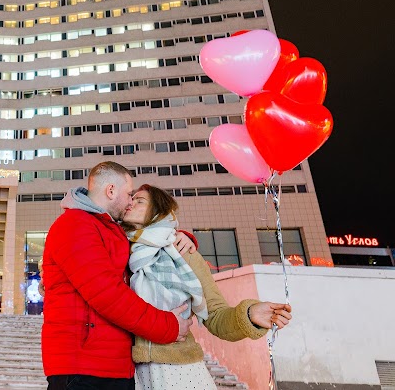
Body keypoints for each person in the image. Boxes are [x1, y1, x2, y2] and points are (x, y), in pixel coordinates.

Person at [42, 161, 198, 390]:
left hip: (114, 364)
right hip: (84, 368)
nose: (129, 202)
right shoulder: (75, 224)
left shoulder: (109, 230)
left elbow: (146, 242)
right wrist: (169, 327)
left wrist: (181, 239)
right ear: (111, 191)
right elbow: (108, 295)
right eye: (128, 194)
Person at [123, 184, 293, 390]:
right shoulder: (119, 250)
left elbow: (215, 315)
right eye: (131, 198)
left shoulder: (182, 252)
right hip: (128, 371)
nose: (131, 203)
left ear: (159, 211)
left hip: (180, 368)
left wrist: (249, 315)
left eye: (139, 200)